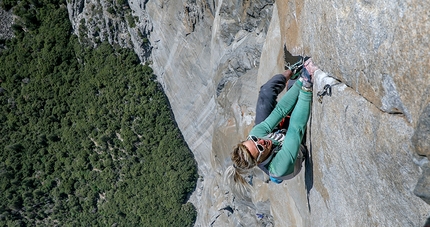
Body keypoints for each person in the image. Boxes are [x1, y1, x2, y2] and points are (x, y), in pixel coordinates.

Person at [225, 58, 319, 196]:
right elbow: (295, 129)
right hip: (293, 146)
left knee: (266, 92)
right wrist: (306, 87)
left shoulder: (256, 135)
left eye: (254, 141)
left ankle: (294, 69)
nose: (261, 141)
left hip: (280, 134)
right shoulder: (278, 167)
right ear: (258, 161)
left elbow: (280, 111)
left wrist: (301, 79)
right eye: (260, 147)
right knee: (299, 94)